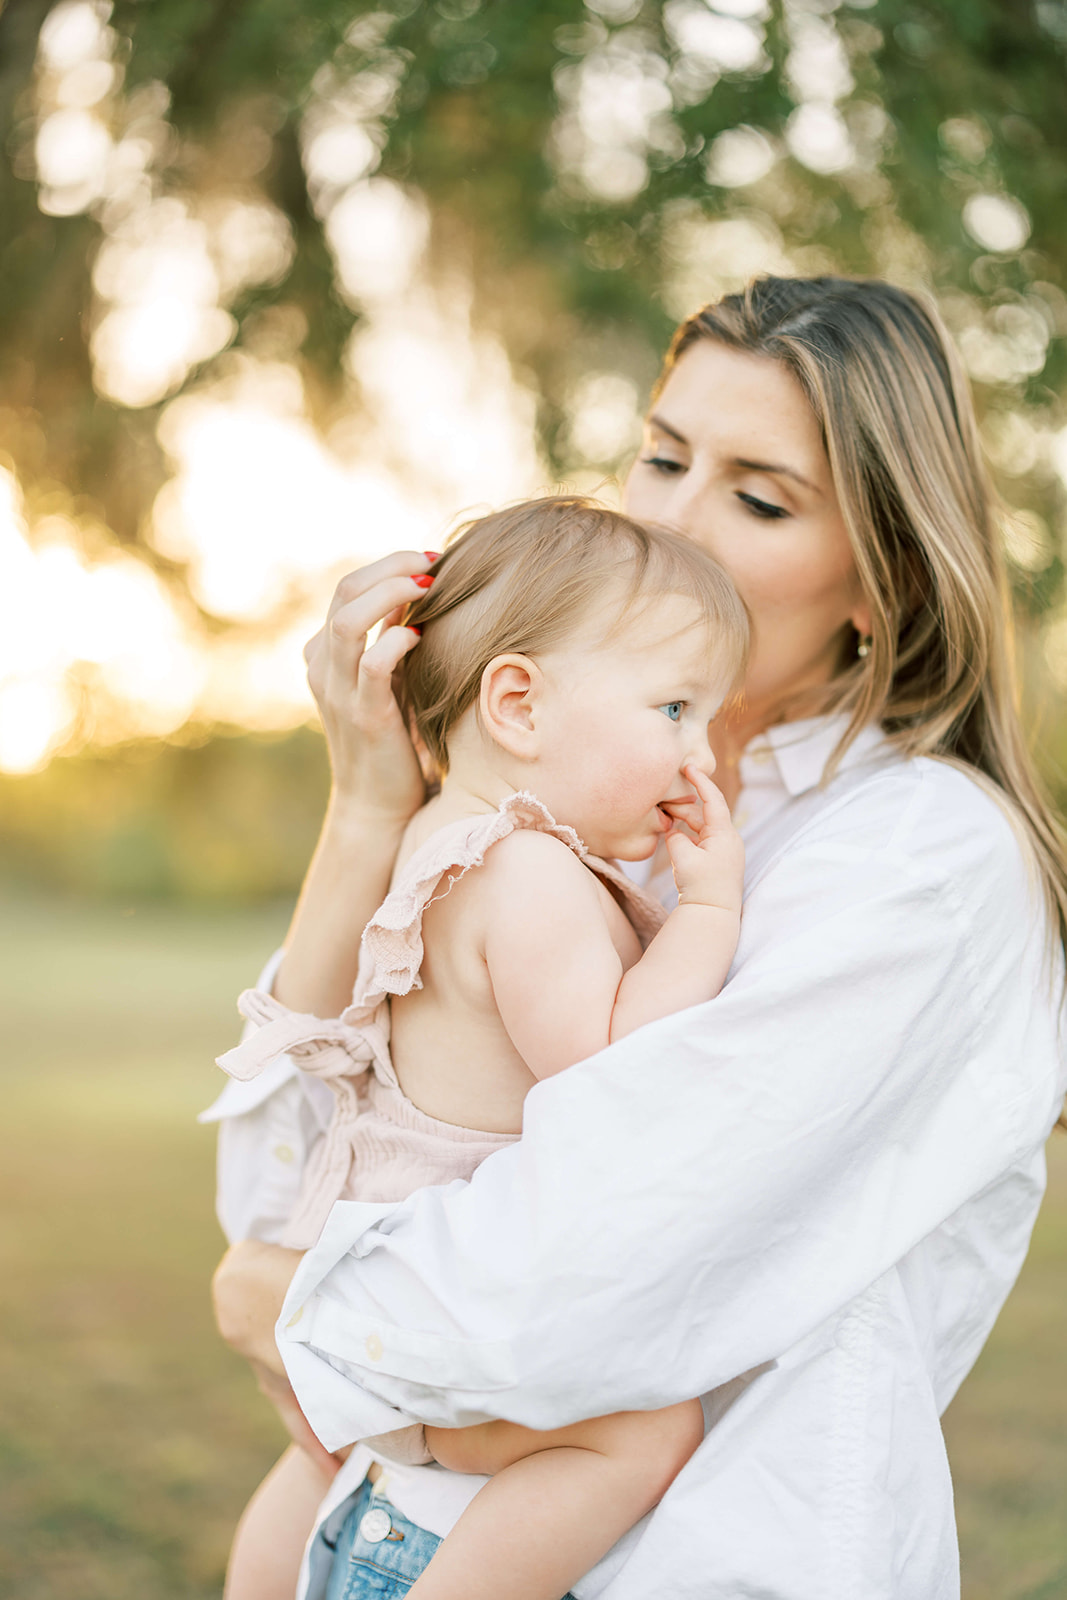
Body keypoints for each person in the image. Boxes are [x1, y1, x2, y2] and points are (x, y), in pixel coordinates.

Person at [209, 276, 1067, 1600]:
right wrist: (370, 803)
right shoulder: (561, 821)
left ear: (877, 580)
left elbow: (589, 1258)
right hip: (379, 1531)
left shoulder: (915, 861)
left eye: (757, 494)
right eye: (661, 456)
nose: (664, 516)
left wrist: (292, 1309)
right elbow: (273, 1183)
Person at [213, 498, 749, 1600]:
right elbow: (613, 1070)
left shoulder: (433, 838)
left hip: (368, 1281)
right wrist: (708, 912)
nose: (702, 756)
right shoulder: (528, 871)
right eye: (675, 707)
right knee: (643, 1434)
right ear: (516, 704)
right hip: (440, 1318)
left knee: (313, 1456)